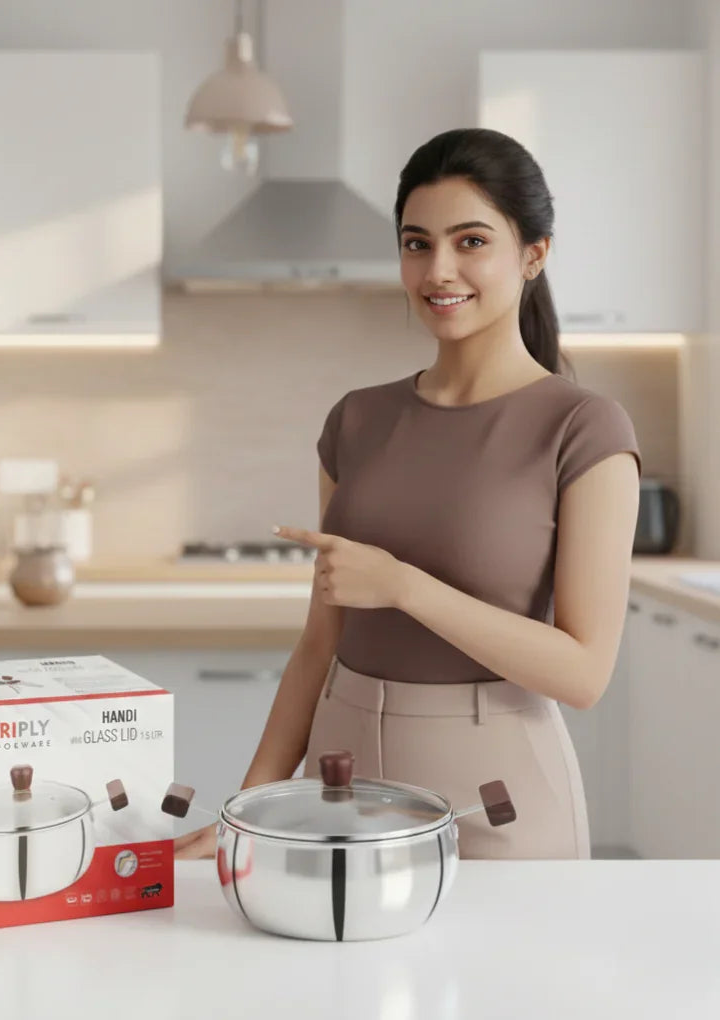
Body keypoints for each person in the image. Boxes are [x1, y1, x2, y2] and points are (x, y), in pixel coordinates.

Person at [174, 127, 641, 862]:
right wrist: (247, 810)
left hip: (498, 797)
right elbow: (316, 648)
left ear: (533, 254)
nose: (438, 268)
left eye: (471, 241)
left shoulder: (583, 428)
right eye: (417, 243)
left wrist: (403, 587)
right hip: (340, 783)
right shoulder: (356, 420)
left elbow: (583, 673)